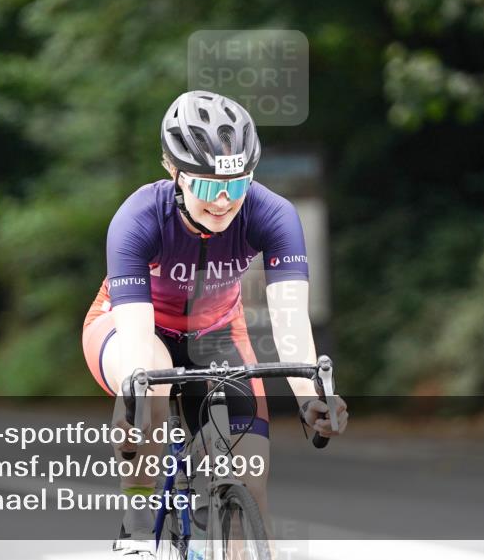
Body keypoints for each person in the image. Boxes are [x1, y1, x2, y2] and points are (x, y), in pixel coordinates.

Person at [81, 91, 348, 557]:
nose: (224, 201)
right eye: (207, 187)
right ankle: (138, 521)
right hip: (131, 329)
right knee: (152, 385)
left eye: (237, 184)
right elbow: (140, 340)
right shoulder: (138, 218)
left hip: (217, 333)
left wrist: (311, 398)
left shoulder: (273, 215)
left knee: (252, 482)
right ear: (174, 171)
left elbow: (290, 324)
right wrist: (137, 398)